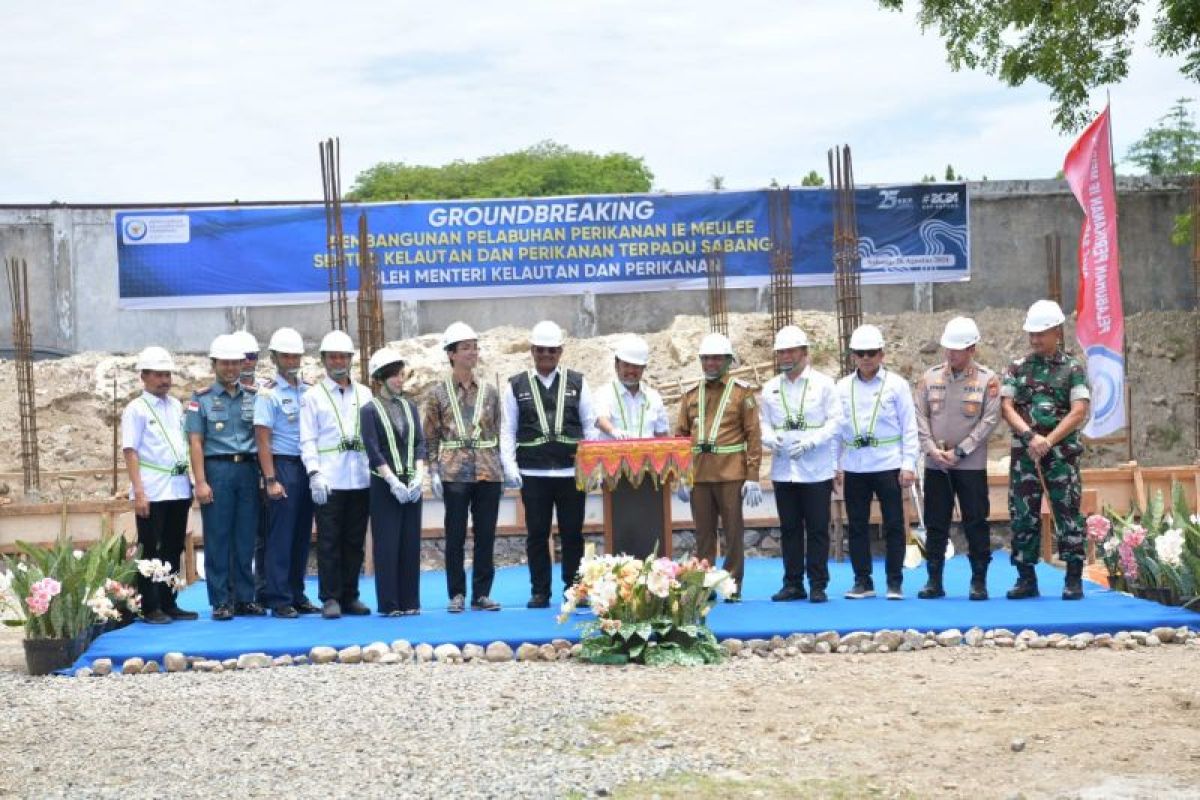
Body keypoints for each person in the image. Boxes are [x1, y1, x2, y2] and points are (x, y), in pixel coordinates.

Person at [500, 320, 598, 609]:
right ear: (532, 350)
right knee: (537, 534)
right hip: (533, 473)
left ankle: (575, 589)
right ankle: (540, 591)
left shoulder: (578, 382)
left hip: (571, 472)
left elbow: (590, 426)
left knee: (572, 534)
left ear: (561, 351)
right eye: (541, 350)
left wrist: (590, 465)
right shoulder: (516, 385)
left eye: (552, 351)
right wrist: (509, 465)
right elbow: (508, 429)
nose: (546, 356)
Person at [1000, 299, 1091, 600]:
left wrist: (1048, 440)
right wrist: (1029, 436)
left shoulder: (1072, 369)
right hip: (1026, 456)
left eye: (1041, 334)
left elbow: (1078, 411)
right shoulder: (1018, 367)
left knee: (1067, 513)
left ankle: (1073, 578)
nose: (1036, 340)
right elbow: (1006, 407)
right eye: (1032, 335)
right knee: (1023, 514)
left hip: (1061, 456)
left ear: (1057, 332)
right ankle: (1026, 578)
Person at [913, 317, 1002, 601]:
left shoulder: (987, 381)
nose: (951, 354)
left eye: (957, 349)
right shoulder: (930, 378)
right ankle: (934, 579)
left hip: (970, 465)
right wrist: (931, 449)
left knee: (975, 521)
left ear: (972, 348)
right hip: (936, 464)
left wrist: (961, 451)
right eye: (948, 349)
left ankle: (978, 581)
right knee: (935, 522)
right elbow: (920, 416)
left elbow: (988, 421)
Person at [674, 332, 763, 600]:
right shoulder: (690, 395)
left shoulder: (742, 393)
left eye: (716, 358)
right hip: (699, 475)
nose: (710, 363)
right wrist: (681, 474)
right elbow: (680, 436)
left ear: (727, 360)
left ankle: (733, 586)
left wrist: (753, 475)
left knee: (733, 532)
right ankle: (704, 586)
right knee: (703, 534)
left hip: (731, 473)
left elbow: (753, 434)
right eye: (705, 358)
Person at [423, 321, 503, 613]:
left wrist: (503, 466)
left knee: (486, 536)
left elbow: (496, 431)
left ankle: (481, 594)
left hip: (487, 472)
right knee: (454, 535)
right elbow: (430, 436)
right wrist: (431, 470)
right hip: (454, 473)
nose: (472, 353)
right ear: (451, 354)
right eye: (466, 348)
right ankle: (456, 593)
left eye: (475, 347)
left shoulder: (491, 392)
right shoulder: (437, 394)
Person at [835, 324, 919, 600]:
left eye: (872, 353)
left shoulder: (897, 385)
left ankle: (895, 581)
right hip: (856, 465)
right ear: (853, 356)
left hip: (889, 463)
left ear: (882, 354)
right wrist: (836, 464)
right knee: (857, 525)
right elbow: (837, 428)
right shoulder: (842, 387)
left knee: (894, 523)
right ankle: (863, 581)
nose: (866, 358)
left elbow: (909, 427)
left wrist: (909, 464)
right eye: (861, 353)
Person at [758, 325, 840, 604]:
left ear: (805, 353)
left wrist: (812, 442)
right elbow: (763, 424)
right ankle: (792, 583)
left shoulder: (824, 384)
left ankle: (818, 584)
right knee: (790, 528)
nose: (786, 357)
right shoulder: (770, 389)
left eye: (791, 351)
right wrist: (771, 440)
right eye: (781, 352)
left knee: (817, 528)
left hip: (816, 470)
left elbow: (835, 421)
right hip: (784, 470)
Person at [186, 334, 262, 621]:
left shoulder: (254, 397)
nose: (231, 368)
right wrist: (201, 482)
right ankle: (220, 600)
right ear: (214, 364)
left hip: (247, 469)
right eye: (225, 363)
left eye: (235, 363)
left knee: (246, 536)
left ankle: (245, 597)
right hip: (217, 470)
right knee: (218, 536)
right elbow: (196, 443)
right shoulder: (201, 399)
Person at [300, 330, 374, 619]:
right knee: (329, 540)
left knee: (354, 540)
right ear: (323, 360)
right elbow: (307, 439)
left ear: (351, 359)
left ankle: (350, 594)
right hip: (330, 479)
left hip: (359, 477)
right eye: (333, 356)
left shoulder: (365, 393)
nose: (338, 361)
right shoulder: (312, 397)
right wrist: (314, 473)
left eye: (343, 356)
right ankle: (330, 597)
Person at [121, 346, 197, 624]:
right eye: (158, 375)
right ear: (144, 376)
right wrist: (138, 491)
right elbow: (131, 451)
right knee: (151, 547)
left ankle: (169, 600)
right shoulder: (136, 409)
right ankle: (151, 606)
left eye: (167, 375)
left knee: (173, 546)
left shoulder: (176, 405)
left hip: (177, 486)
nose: (164, 380)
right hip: (152, 488)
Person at [253, 327, 319, 618]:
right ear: (275, 357)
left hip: (306, 465)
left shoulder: (308, 390)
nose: (292, 360)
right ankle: (278, 596)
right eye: (286, 355)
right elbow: (262, 439)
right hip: (283, 465)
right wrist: (270, 479)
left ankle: (296, 592)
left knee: (302, 533)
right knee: (281, 535)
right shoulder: (268, 394)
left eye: (296, 355)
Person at [361, 348, 426, 616]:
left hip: (411, 484)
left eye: (401, 375)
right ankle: (389, 603)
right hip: (385, 486)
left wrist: (419, 476)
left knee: (410, 542)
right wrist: (391, 481)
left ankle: (411, 601)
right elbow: (373, 449)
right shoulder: (369, 410)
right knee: (387, 544)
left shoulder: (410, 407)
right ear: (381, 377)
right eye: (395, 376)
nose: (400, 380)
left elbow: (420, 442)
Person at [594, 335, 670, 440]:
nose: (631, 371)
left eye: (636, 366)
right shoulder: (604, 393)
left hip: (646, 455)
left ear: (644, 368)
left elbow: (662, 435)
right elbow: (601, 419)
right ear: (616, 365)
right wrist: (613, 431)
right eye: (626, 365)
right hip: (614, 455)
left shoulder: (653, 397)